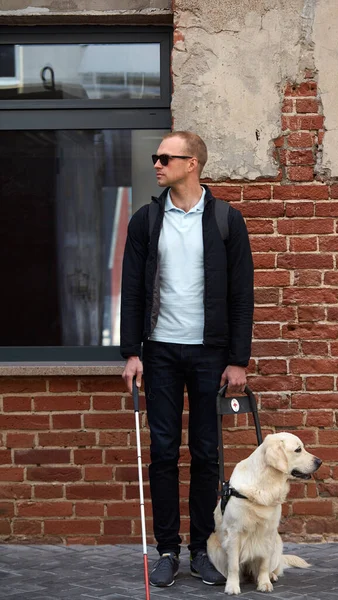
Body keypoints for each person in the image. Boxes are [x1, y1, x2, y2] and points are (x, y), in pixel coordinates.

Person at [120, 131, 254, 587]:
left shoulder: (225, 221)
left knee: (205, 453)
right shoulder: (146, 220)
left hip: (208, 355)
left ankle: (200, 549)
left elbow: (241, 296)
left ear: (192, 163)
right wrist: (131, 352)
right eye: (156, 157)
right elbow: (133, 290)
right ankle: (167, 551)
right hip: (158, 352)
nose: (157, 164)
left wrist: (238, 360)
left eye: (165, 157)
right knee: (162, 452)